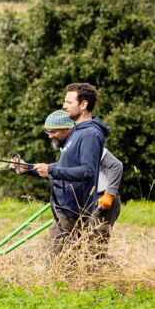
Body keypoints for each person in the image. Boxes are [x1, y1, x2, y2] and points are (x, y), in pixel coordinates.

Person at [10, 83, 109, 260]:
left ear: (83, 104)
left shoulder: (90, 134)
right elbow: (64, 167)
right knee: (65, 264)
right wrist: (29, 169)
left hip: (72, 211)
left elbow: (87, 172)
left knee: (55, 264)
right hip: (63, 208)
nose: (64, 106)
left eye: (68, 102)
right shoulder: (78, 131)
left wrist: (52, 169)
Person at [23, 109, 122, 261]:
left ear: (67, 129)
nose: (50, 136)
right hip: (84, 201)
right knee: (76, 249)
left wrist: (109, 194)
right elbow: (60, 169)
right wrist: (28, 168)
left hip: (103, 199)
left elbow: (116, 166)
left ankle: (107, 277)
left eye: (53, 131)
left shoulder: (89, 142)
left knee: (95, 250)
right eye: (47, 131)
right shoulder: (69, 147)